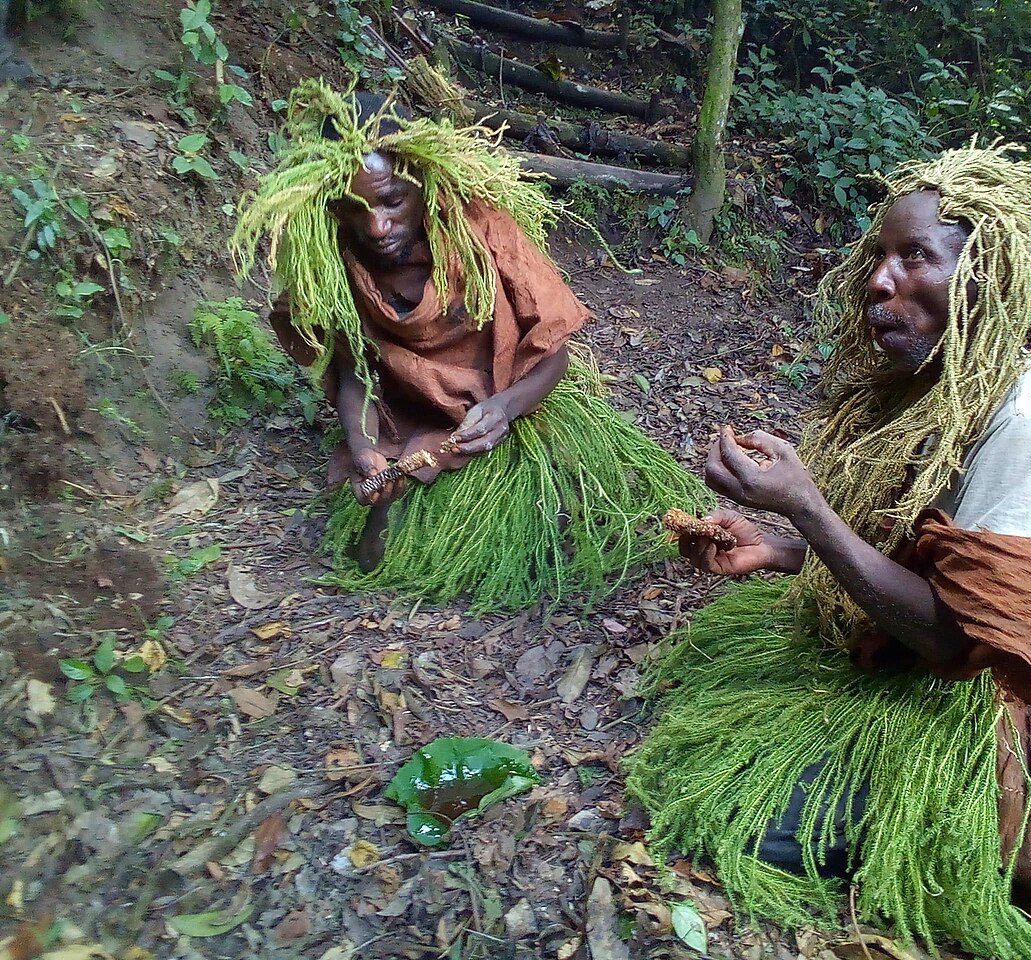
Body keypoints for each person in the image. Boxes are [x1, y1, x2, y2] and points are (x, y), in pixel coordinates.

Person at [627, 146, 1031, 959]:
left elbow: (961, 643)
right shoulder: (941, 386)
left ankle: (938, 827)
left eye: (915, 256)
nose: (878, 281)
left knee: (743, 818)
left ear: (987, 275)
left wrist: (810, 510)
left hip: (964, 705)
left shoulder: (1028, 427)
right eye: (878, 257)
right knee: (700, 702)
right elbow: (913, 560)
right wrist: (782, 546)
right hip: (918, 656)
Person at [232, 79, 708, 613]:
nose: (378, 225)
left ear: (425, 184)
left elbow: (554, 350)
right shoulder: (334, 264)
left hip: (507, 408)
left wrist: (504, 408)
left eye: (392, 201)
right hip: (409, 421)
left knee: (558, 532)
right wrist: (362, 446)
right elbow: (353, 374)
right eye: (353, 209)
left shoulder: (478, 230)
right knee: (374, 554)